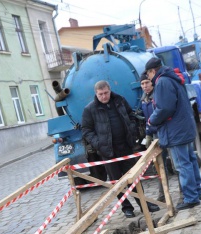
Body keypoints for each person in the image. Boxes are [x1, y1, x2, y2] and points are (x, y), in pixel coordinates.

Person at [81, 80, 160, 218]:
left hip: (125, 147)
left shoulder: (119, 100)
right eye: (101, 94)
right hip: (107, 151)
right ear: (96, 94)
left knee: (134, 178)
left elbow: (131, 116)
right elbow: (86, 130)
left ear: (109, 90)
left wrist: (132, 130)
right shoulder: (90, 109)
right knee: (116, 182)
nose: (104, 96)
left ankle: (143, 205)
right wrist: (98, 143)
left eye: (106, 93)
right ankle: (126, 208)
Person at [145, 57, 201, 210]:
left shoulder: (162, 82)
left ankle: (191, 197)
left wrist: (152, 120)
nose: (148, 78)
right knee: (190, 161)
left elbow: (165, 108)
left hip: (176, 130)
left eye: (148, 74)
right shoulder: (173, 77)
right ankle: (197, 191)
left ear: (152, 71)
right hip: (184, 127)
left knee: (183, 165)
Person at [140, 71, 169, 202]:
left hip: (167, 133)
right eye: (142, 83)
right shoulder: (144, 99)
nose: (145, 86)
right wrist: (148, 135)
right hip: (155, 135)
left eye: (147, 82)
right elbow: (148, 120)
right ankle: (163, 194)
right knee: (159, 166)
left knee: (175, 165)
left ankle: (183, 192)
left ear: (151, 82)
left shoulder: (157, 96)